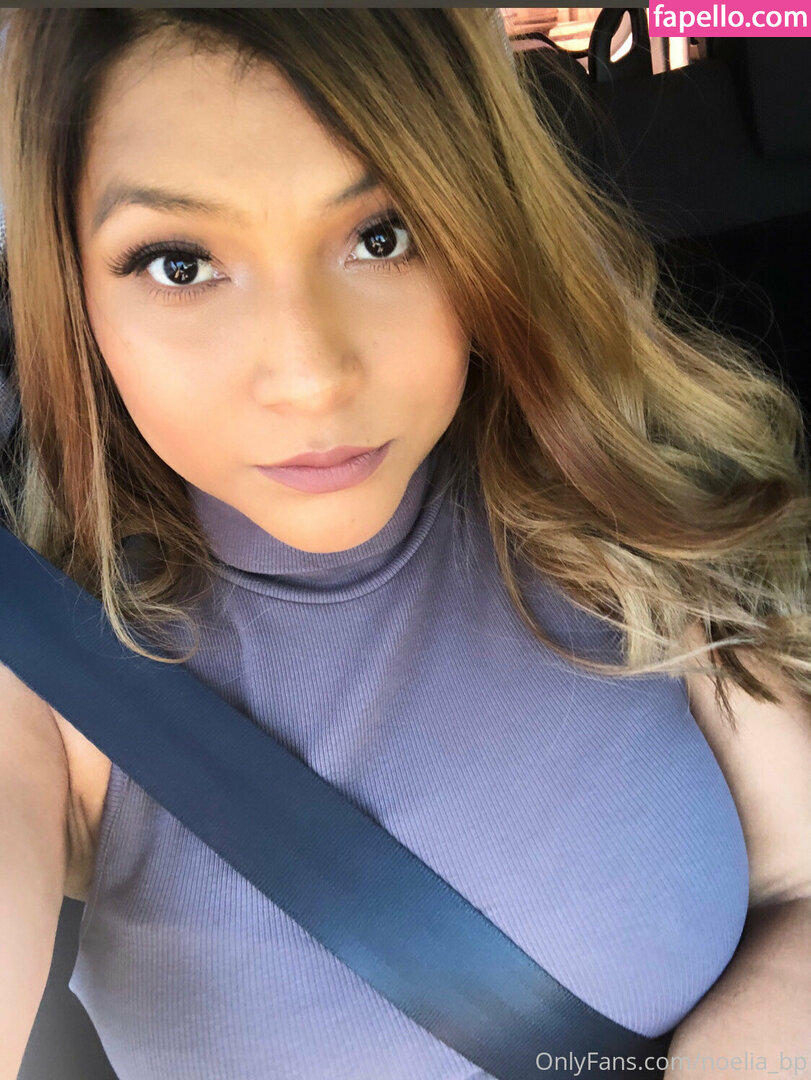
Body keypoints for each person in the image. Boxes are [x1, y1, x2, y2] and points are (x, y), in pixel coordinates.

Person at [0, 9, 808, 1080]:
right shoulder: (48, 676)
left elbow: (796, 884)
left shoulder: (617, 508)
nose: (310, 377)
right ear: (71, 289)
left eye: (383, 236)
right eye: (179, 263)